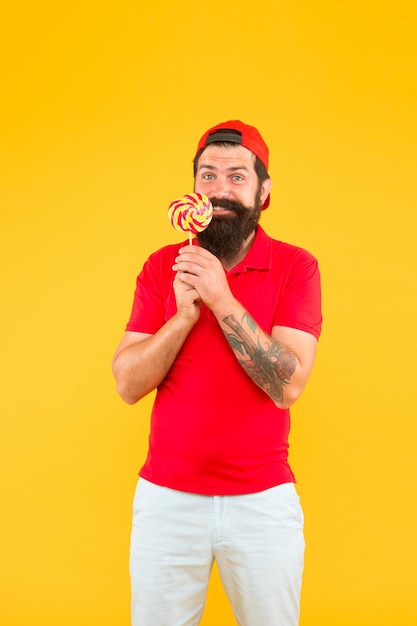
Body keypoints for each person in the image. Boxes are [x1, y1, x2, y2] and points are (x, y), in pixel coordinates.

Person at [112, 120, 322, 626]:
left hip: (262, 500)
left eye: (235, 176)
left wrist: (220, 298)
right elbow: (127, 384)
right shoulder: (163, 266)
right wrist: (183, 316)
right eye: (207, 176)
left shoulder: (296, 267)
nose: (220, 189)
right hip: (166, 499)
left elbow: (287, 385)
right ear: (194, 189)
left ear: (263, 192)